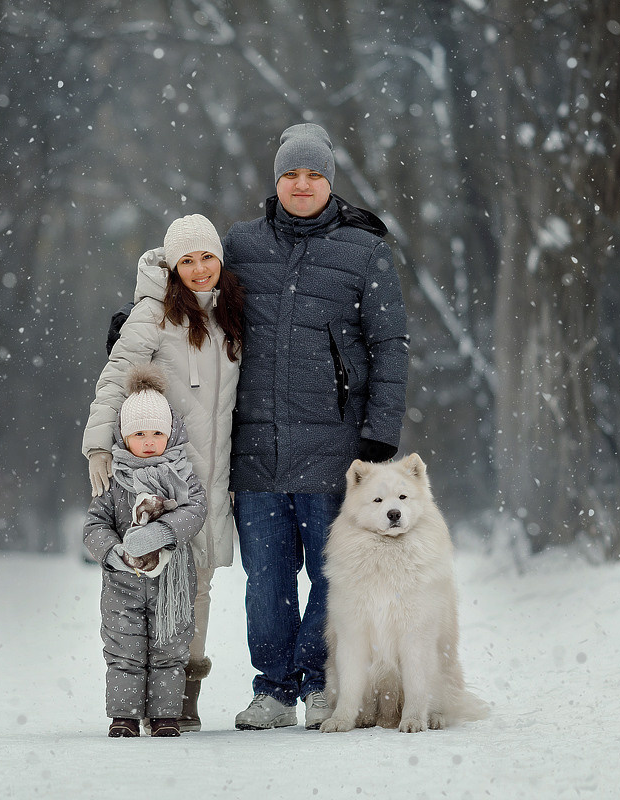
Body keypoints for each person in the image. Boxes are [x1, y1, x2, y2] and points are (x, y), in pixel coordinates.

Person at [222, 122, 409, 730]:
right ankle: (273, 691)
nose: (302, 184)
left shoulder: (365, 251)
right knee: (266, 580)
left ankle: (323, 679)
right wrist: (141, 319)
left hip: (337, 452)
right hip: (255, 448)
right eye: (291, 173)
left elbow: (390, 345)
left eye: (314, 174)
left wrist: (380, 433)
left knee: (337, 575)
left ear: (330, 181)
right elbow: (191, 302)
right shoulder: (241, 246)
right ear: (276, 179)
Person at [82, 213, 244, 731]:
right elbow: (115, 378)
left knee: (198, 585)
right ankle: (135, 699)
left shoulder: (231, 313)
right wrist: (98, 446)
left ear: (220, 259)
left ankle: (181, 698)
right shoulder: (153, 313)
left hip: (213, 476)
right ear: (173, 267)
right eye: (187, 261)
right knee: (150, 582)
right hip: (158, 473)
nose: (199, 269)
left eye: (207, 257)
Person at [83, 365, 207, 737]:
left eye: (157, 432)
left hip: (172, 584)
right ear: (124, 436)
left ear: (171, 433)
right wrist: (113, 551)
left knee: (169, 648)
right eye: (139, 434)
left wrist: (163, 533)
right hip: (123, 584)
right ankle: (124, 716)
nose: (150, 441)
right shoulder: (114, 479)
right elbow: (94, 526)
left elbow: (195, 510)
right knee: (125, 649)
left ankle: (165, 716)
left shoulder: (182, 476)